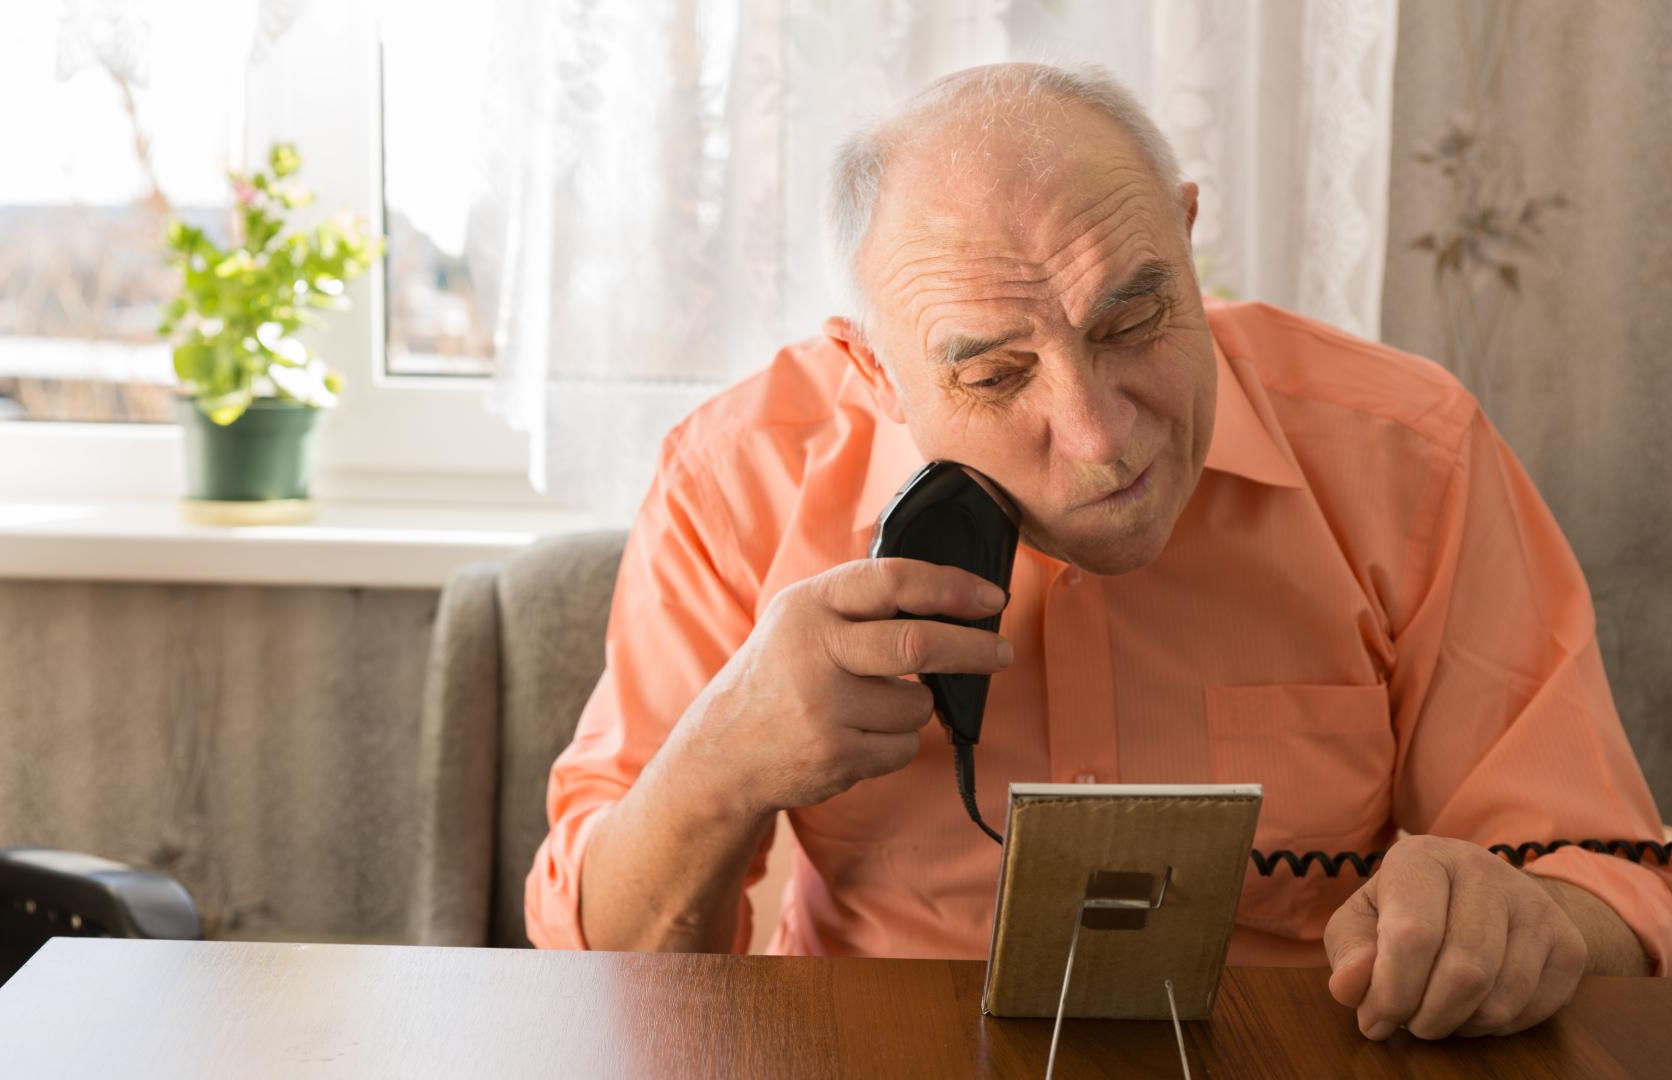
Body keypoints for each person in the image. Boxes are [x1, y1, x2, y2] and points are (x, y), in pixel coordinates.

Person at [523, 62, 1671, 1041]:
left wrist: (1519, 922)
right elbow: (593, 969)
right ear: (873, 370)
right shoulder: (736, 481)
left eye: (1130, 323)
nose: (1100, 435)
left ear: (1185, 231)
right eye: (994, 374)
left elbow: (1614, 884)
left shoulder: (1411, 456)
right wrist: (723, 762)